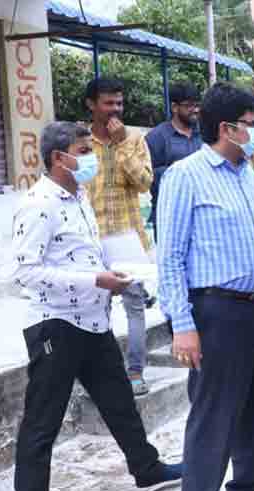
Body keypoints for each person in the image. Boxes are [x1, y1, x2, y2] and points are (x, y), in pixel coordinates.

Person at [9, 121, 183, 491]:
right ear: (58, 158)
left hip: (93, 319)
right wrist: (95, 281)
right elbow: (25, 272)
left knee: (119, 401)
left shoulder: (79, 197)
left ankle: (147, 469)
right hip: (55, 323)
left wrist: (116, 274)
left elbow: (84, 254)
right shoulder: (38, 205)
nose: (89, 158)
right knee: (43, 416)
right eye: (82, 150)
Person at [157, 83, 254, 491]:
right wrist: (182, 324)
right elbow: (170, 258)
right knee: (214, 414)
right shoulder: (186, 177)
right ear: (226, 129)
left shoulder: (249, 176)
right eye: (252, 125)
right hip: (216, 311)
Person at [83, 78, 155, 397]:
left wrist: (123, 144)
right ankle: (102, 376)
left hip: (128, 234)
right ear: (91, 104)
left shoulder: (135, 140)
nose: (115, 110)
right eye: (108, 103)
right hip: (91, 238)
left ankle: (136, 371)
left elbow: (144, 183)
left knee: (135, 305)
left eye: (119, 104)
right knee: (95, 308)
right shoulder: (80, 141)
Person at [146, 82, 202, 238]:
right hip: (169, 216)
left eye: (197, 105)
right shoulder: (157, 137)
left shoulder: (205, 135)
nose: (195, 110)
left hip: (201, 215)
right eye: (189, 105)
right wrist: (181, 173)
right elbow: (148, 177)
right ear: (174, 107)